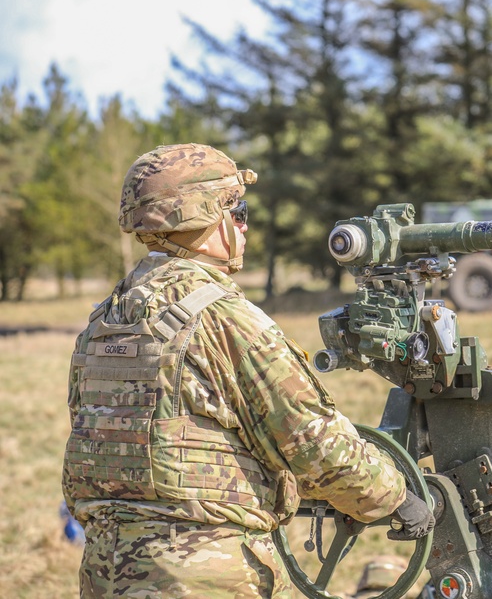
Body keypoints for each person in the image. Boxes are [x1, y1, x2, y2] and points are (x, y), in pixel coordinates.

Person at [62, 143, 433, 598]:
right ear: (207, 214)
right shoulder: (226, 319)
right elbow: (314, 443)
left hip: (104, 571)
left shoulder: (103, 320)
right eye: (238, 210)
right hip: (205, 578)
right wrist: (399, 498)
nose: (244, 224)